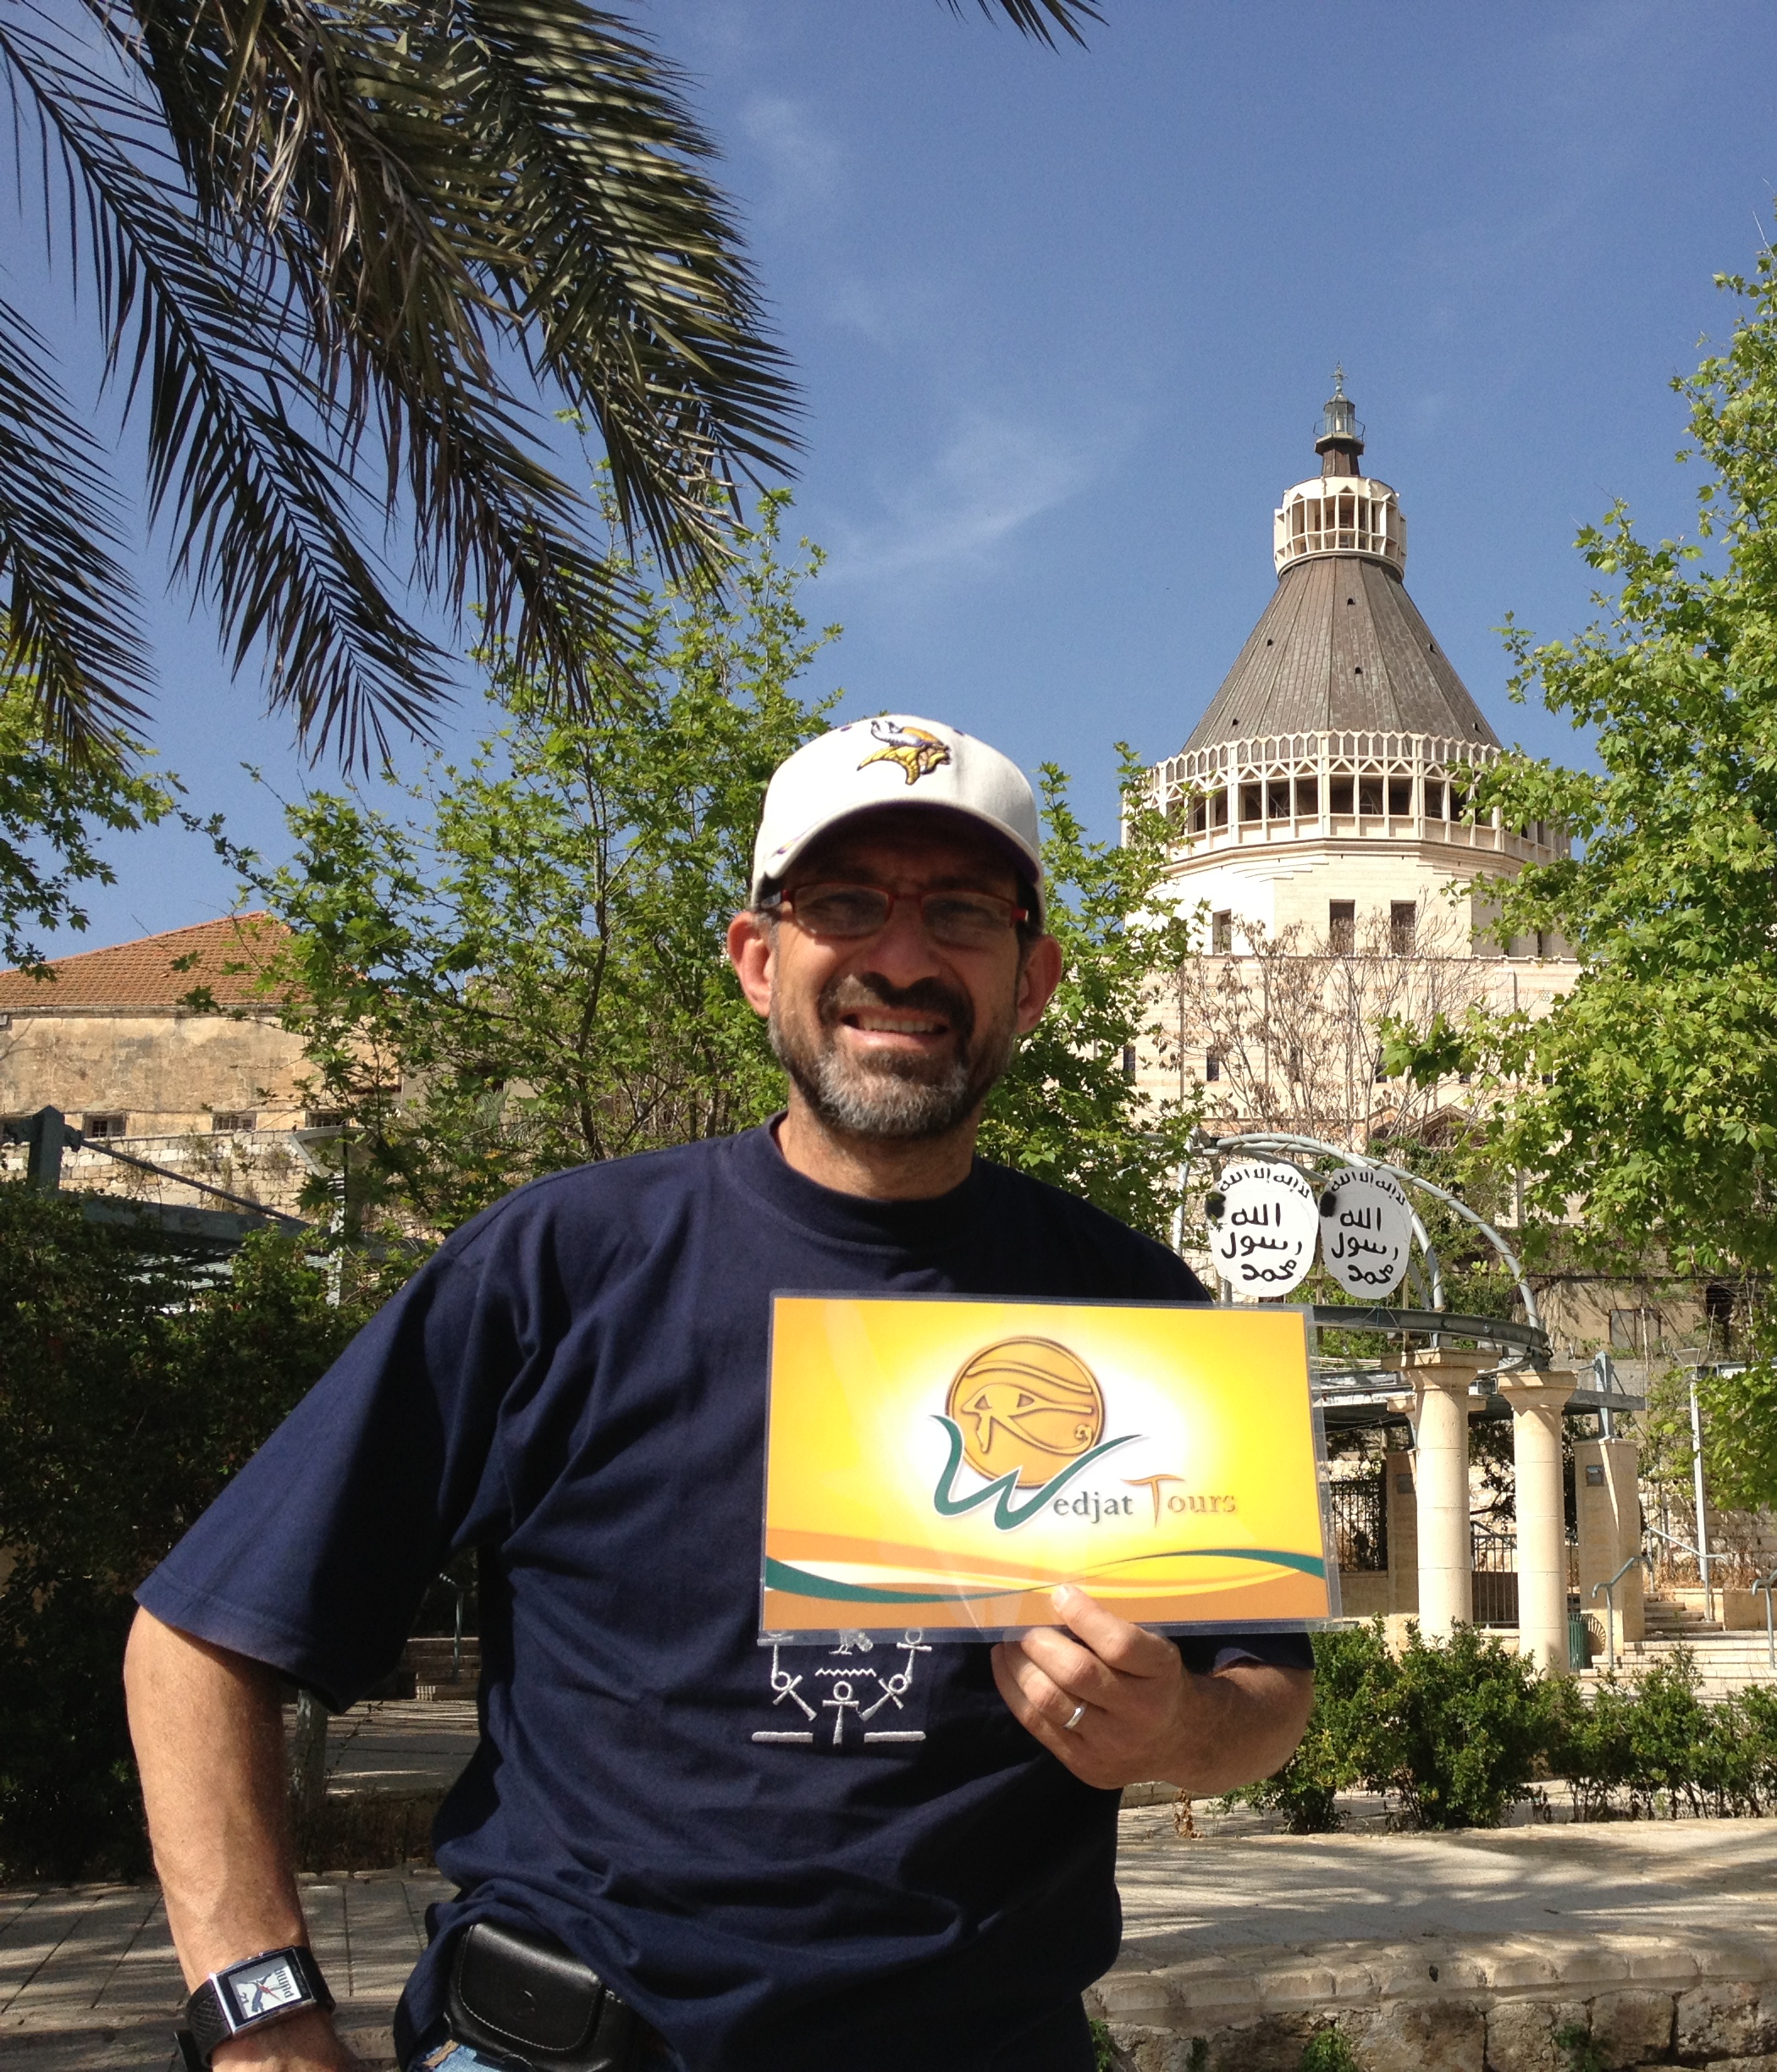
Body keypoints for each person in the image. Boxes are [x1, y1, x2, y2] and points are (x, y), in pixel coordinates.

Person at [123, 715, 1316, 2072]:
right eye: (846, 905)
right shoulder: (561, 1265)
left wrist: (1175, 1728)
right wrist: (261, 2025)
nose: (906, 957)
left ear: (1033, 980)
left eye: (964, 915)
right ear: (760, 961)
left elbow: (1265, 1693)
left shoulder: (1141, 1308)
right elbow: (196, 1641)